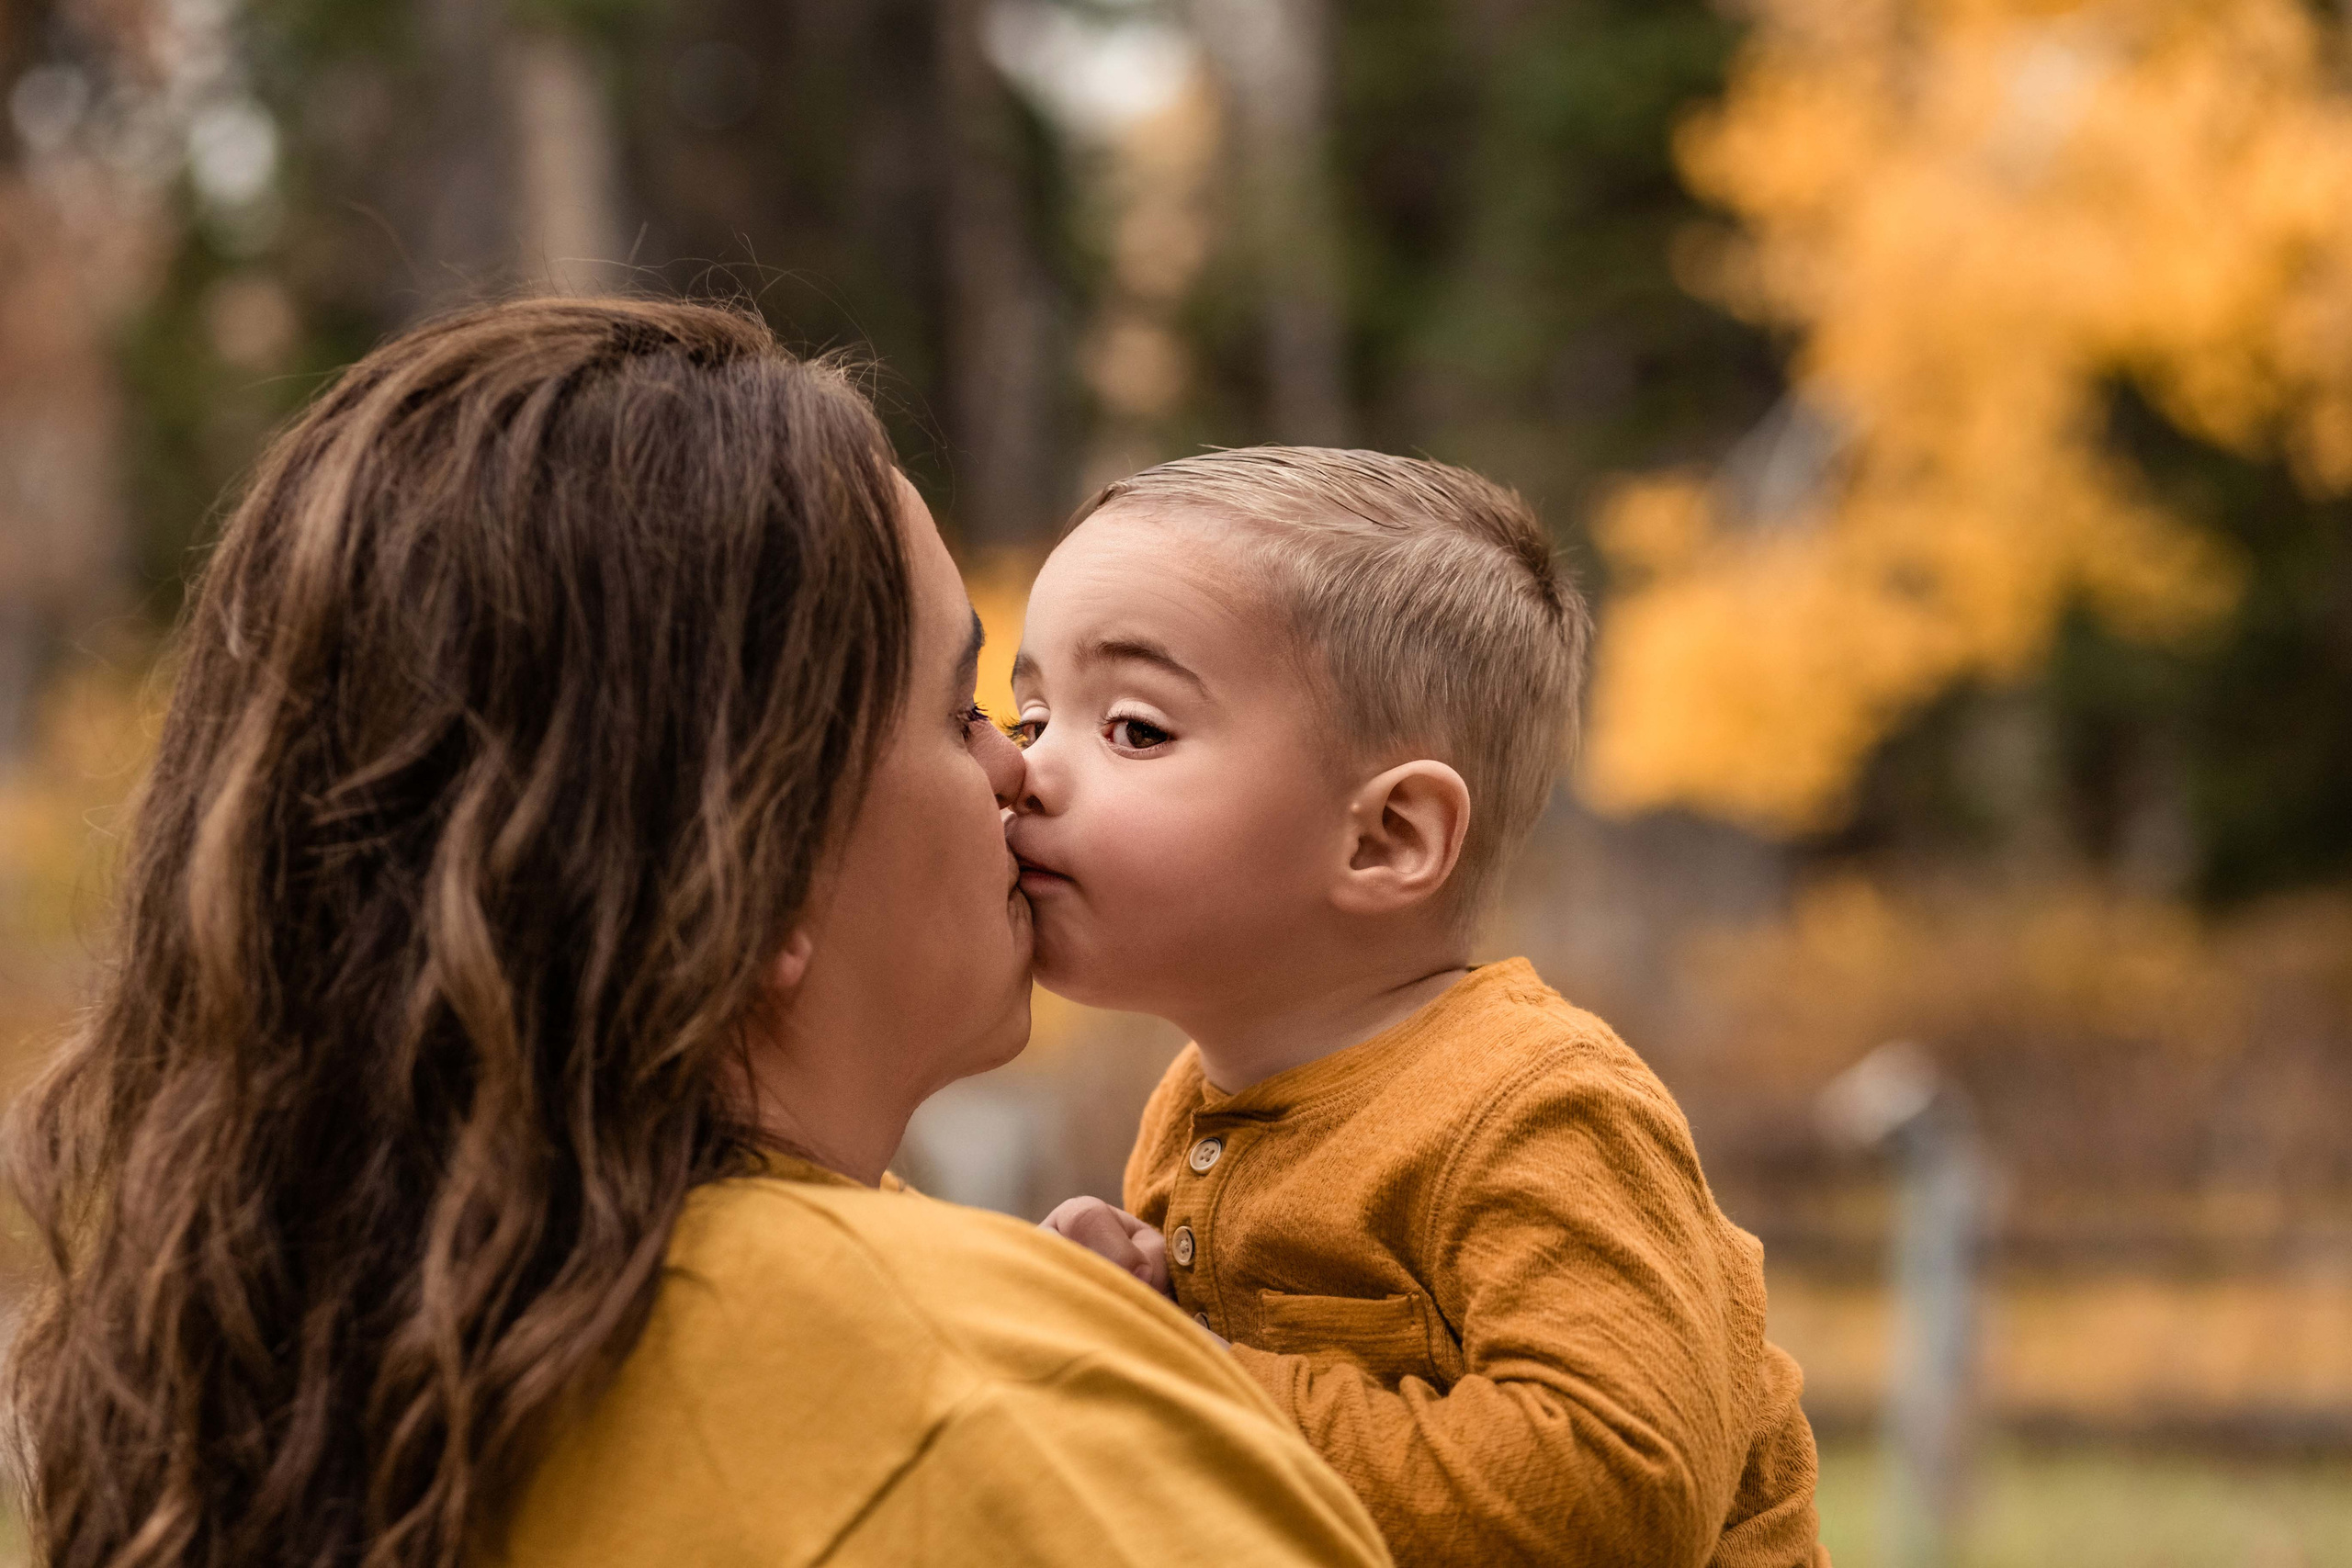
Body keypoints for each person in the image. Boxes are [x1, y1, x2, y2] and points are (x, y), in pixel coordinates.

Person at [1, 301, 1390, 1568]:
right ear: (762, 856)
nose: (1016, 769)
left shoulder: (330, 1371)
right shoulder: (988, 1413)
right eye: (954, 704)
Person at [1020, 448, 1828, 1566]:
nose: (1028, 775)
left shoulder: (1535, 1108)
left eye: (1134, 729)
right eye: (1027, 721)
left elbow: (1616, 1493)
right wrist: (1139, 1304)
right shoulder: (1200, 1104)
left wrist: (1160, 1375)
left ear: (1386, 837)